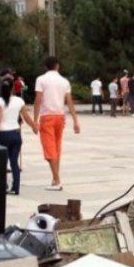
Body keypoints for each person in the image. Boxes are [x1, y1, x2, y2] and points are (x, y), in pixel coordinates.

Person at [33, 56, 81, 191]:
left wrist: (35, 120)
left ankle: (57, 180)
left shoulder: (41, 79)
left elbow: (38, 100)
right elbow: (69, 101)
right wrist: (75, 121)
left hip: (47, 116)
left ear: (45, 66)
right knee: (56, 149)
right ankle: (55, 179)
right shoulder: (64, 81)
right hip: (60, 117)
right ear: (57, 66)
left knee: (49, 150)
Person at [0, 79, 38, 195]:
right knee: (14, 162)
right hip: (15, 134)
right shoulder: (19, 101)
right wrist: (34, 126)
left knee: (3, 162)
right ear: (13, 88)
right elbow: (26, 117)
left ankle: (3, 186)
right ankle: (16, 187)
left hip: (3, 134)